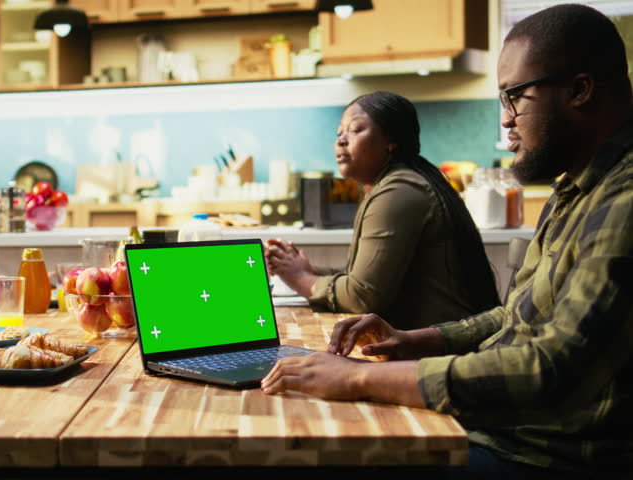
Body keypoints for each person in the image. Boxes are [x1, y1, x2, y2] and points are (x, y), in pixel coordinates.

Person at [261, 4, 632, 478]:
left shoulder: (623, 202)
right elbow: (517, 312)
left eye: (514, 97)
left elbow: (551, 369)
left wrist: (361, 375)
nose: (506, 121)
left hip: (543, 453)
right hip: (504, 428)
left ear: (579, 90)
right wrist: (417, 340)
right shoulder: (575, 188)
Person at [266, 91, 500, 330]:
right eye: (339, 133)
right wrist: (310, 271)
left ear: (391, 140)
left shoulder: (398, 191)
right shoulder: (395, 184)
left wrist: (302, 279)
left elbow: (363, 298)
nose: (341, 140)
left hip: (439, 354)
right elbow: (367, 282)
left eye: (355, 130)